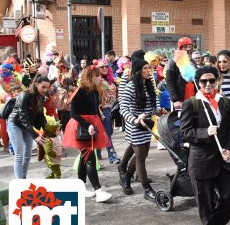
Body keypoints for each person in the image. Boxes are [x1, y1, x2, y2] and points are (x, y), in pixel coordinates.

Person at [180, 65, 230, 225]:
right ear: (198, 82)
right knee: (205, 202)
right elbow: (185, 133)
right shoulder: (192, 104)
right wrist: (205, 132)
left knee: (229, 194)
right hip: (201, 160)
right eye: (203, 81)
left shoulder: (225, 102)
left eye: (211, 80)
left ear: (217, 81)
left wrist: (229, 149)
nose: (208, 84)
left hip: (222, 158)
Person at [62, 67, 113, 202]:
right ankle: (98, 190)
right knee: (90, 158)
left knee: (85, 159)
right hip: (82, 127)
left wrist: (99, 117)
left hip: (92, 126)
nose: (99, 78)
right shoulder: (80, 91)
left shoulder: (94, 91)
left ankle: (81, 187)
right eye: (97, 76)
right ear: (90, 77)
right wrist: (88, 124)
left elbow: (95, 108)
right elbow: (73, 113)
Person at [119, 55, 160, 201]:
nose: (148, 71)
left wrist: (159, 111)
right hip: (135, 125)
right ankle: (147, 189)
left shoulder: (149, 84)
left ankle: (127, 177)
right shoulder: (131, 86)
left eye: (148, 68)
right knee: (141, 156)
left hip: (147, 123)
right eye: (145, 68)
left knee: (141, 155)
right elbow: (123, 108)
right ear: (137, 71)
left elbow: (155, 102)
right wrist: (135, 119)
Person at [8, 75, 50, 179]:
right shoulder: (24, 95)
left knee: (27, 155)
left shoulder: (40, 97)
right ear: (36, 84)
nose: (45, 90)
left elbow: (40, 116)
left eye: (47, 87)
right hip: (15, 124)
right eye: (43, 87)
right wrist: (36, 136)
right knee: (19, 155)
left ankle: (23, 178)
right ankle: (19, 183)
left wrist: (47, 129)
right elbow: (23, 118)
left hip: (27, 126)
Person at [97, 58, 120, 164]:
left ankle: (97, 153)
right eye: (102, 67)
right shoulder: (97, 80)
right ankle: (112, 156)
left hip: (112, 109)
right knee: (107, 132)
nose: (105, 68)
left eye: (106, 66)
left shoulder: (111, 79)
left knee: (106, 132)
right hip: (103, 109)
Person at [165, 37, 197, 111]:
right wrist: (175, 100)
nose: (188, 49)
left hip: (192, 95)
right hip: (180, 97)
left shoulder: (192, 61)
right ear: (180, 48)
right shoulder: (173, 61)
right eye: (185, 47)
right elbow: (170, 81)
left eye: (190, 47)